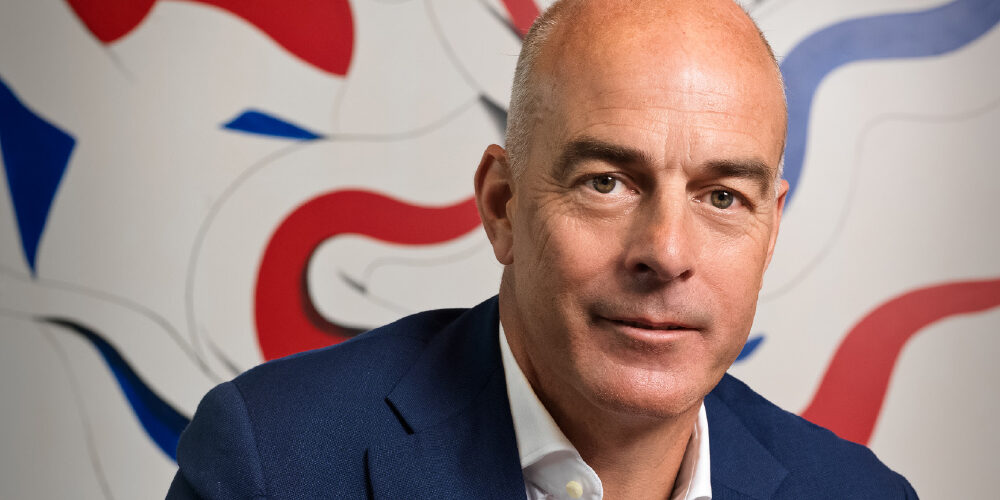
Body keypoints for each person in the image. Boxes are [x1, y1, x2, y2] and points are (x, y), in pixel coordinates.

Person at [167, 0, 917, 498]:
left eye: (721, 197)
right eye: (606, 183)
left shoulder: (859, 494)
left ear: (770, 230)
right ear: (503, 205)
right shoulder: (272, 462)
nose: (665, 252)